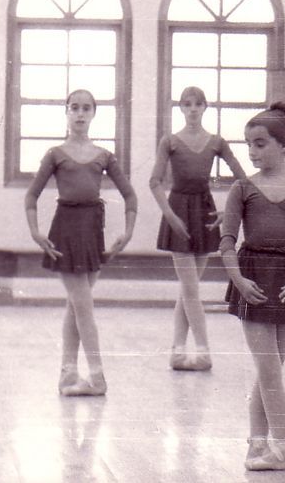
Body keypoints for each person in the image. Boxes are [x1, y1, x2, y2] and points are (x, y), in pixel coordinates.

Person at [220, 103, 285, 471]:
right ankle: (284, 449)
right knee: (269, 371)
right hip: (253, 281)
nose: (252, 151)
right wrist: (238, 279)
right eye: (248, 144)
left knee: (272, 371)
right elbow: (226, 242)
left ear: (283, 145)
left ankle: (257, 445)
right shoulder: (242, 188)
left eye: (260, 143)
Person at [25, 89, 137, 396]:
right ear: (66, 111)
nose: (80, 113)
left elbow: (130, 195)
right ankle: (97, 377)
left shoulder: (103, 155)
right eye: (74, 107)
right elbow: (31, 195)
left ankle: (68, 373)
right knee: (83, 307)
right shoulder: (55, 154)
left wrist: (127, 232)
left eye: (86, 108)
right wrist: (36, 232)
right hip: (66, 230)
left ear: (93, 113)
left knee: (76, 306)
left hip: (92, 230)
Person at [149, 86, 247, 371]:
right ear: (180, 108)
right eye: (187, 104)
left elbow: (242, 181)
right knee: (191, 290)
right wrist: (169, 215)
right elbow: (154, 182)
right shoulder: (170, 141)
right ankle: (203, 351)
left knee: (187, 290)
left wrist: (228, 211)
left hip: (204, 213)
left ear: (205, 108)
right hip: (178, 212)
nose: (192, 109)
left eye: (198, 104)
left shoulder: (216, 141)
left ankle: (178, 352)